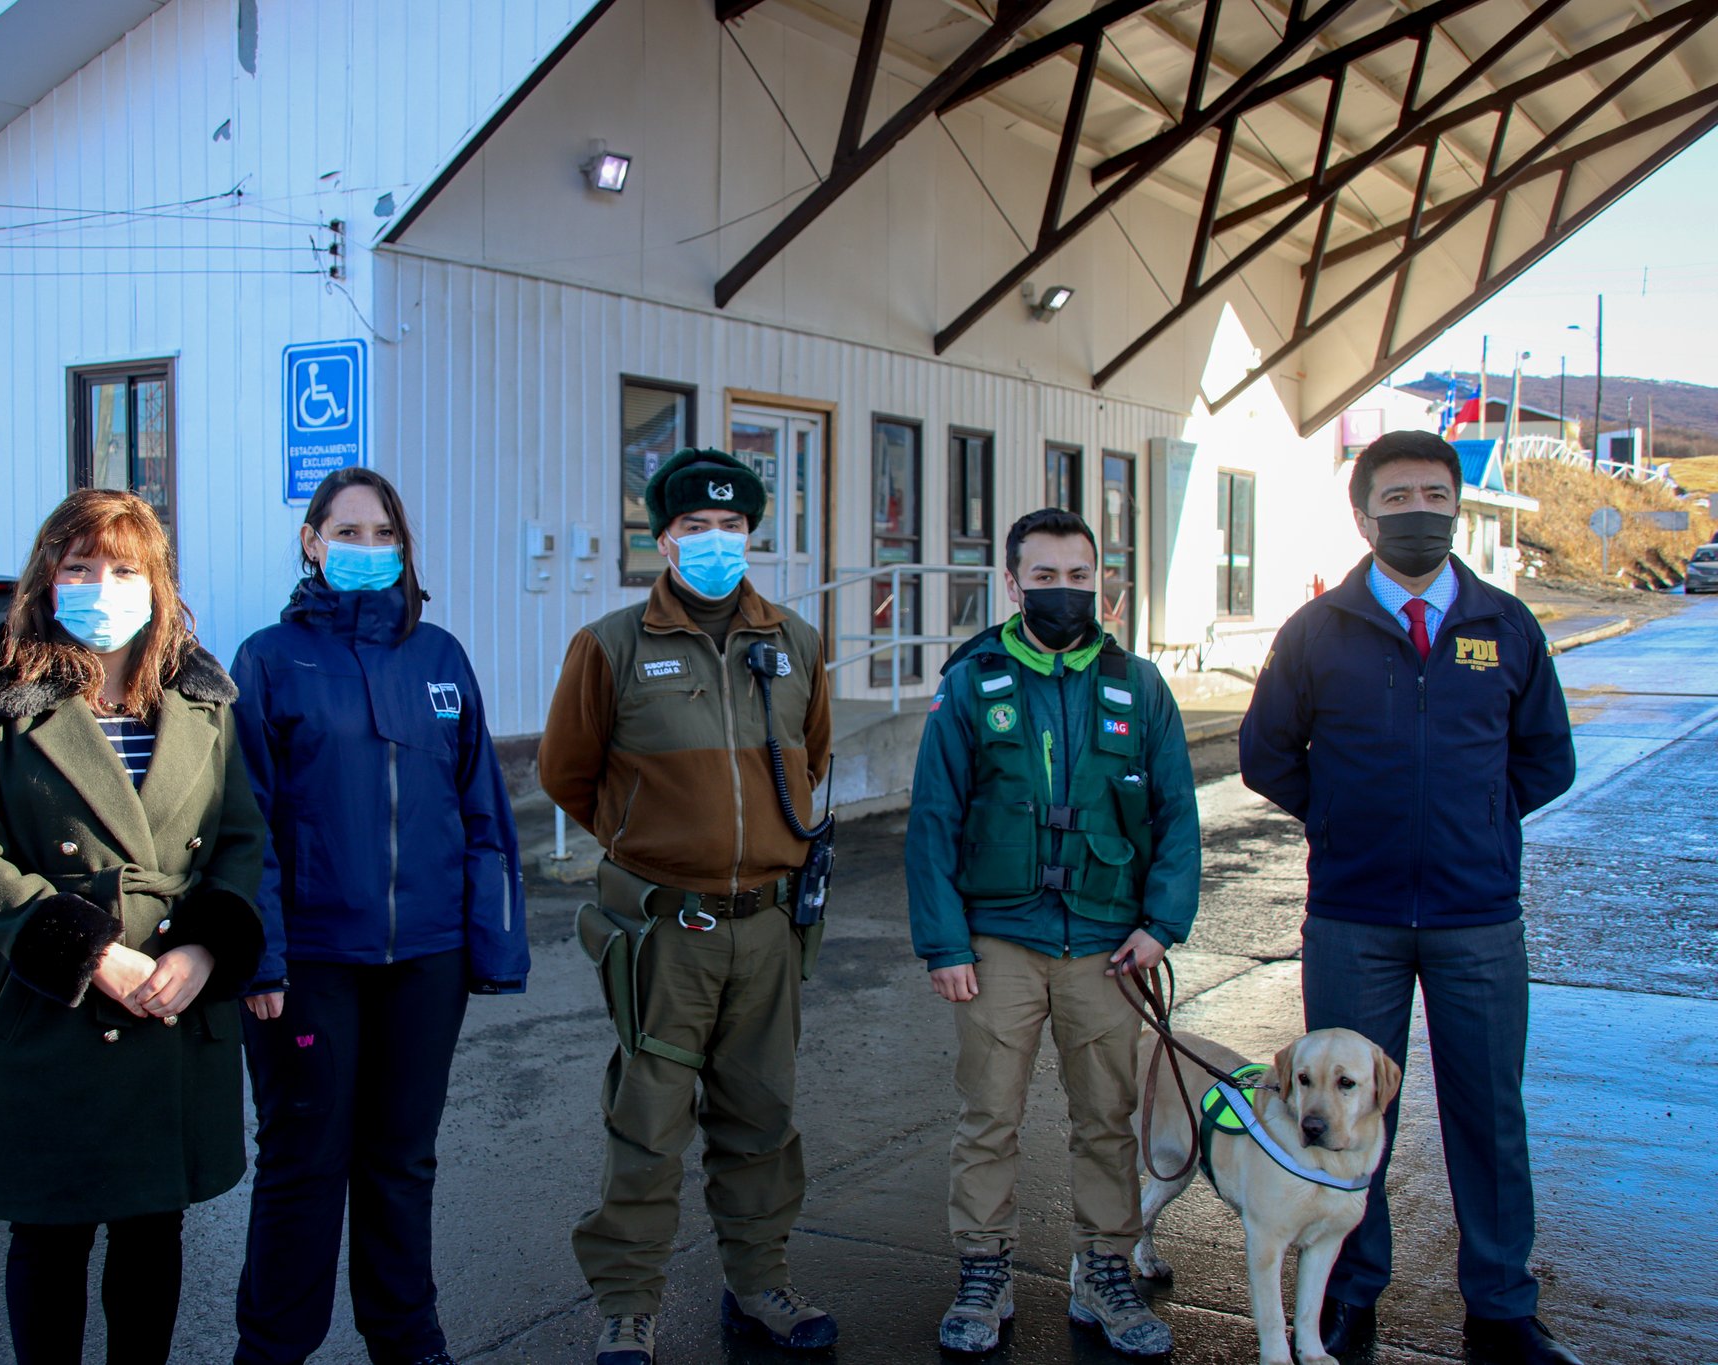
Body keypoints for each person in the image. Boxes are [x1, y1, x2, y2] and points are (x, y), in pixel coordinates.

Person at [1240, 429, 1580, 1365]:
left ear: (1456, 507)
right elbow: (1266, 753)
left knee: (1488, 1111)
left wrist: (1474, 819)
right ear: (1363, 513)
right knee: (1342, 1113)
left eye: (1436, 495)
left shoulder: (1506, 624)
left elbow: (1548, 758)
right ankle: (1349, 1297)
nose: (1418, 512)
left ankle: (1502, 1309)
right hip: (1356, 916)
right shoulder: (1317, 631)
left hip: (1478, 919)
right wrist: (1343, 818)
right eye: (1398, 498)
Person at [0, 488, 267, 1365]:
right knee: (51, 1238)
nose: (100, 585)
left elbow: (237, 839)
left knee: (153, 1236)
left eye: (122, 568)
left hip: (171, 1003)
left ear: (156, 583)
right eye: (79, 566)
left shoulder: (201, 694)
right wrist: (91, 954)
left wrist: (203, 948)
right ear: (47, 576)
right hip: (52, 1005)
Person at [540, 448, 836, 1365]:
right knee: (648, 1122)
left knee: (761, 1118)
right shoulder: (611, 644)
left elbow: (811, 757)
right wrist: (662, 845)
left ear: (753, 536)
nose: (716, 543)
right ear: (662, 538)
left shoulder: (794, 641)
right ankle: (628, 1303)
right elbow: (567, 774)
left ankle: (759, 1285)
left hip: (770, 929)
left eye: (733, 528)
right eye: (696, 528)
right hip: (667, 934)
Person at [228, 466, 528, 1365]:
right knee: (302, 1163)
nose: (367, 549)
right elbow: (245, 825)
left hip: (425, 959)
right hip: (312, 961)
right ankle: (273, 1348)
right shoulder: (270, 660)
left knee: (402, 1160)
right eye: (347, 533)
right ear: (312, 543)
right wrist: (262, 957)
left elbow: (484, 811)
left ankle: (408, 1339)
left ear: (403, 548)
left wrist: (492, 942)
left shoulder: (439, 657)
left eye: (382, 534)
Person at [906, 507, 1201, 1357]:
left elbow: (1178, 813)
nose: (1065, 593)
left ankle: (1104, 1268)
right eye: (1045, 577)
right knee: (988, 1114)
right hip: (997, 939)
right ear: (1012, 583)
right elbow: (932, 819)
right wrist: (946, 943)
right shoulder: (973, 681)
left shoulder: (1139, 685)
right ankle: (984, 1267)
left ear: (1100, 581)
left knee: (1107, 1117)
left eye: (1080, 577)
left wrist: (1162, 922)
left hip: (1108, 944)